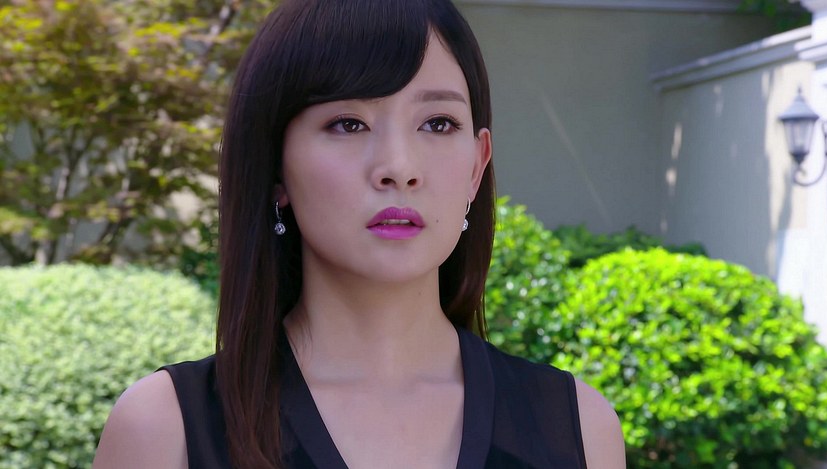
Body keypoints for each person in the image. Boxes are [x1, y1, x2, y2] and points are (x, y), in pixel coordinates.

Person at [93, 0, 626, 467]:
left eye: (437, 123)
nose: (399, 167)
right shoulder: (166, 430)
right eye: (348, 123)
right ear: (275, 166)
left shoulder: (579, 428)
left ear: (476, 166)